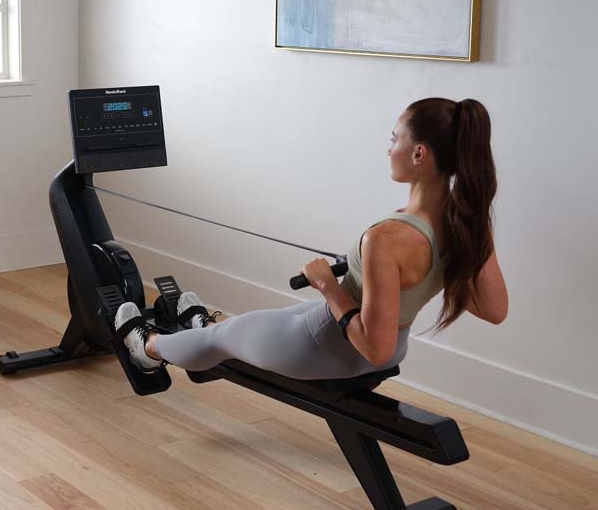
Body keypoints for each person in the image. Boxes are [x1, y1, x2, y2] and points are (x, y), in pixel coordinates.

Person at [114, 97, 508, 380]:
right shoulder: (469, 223)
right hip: (390, 344)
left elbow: (375, 348)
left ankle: (147, 348)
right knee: (244, 325)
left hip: (334, 347)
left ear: (419, 154)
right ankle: (195, 329)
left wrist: (326, 285)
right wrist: (438, 267)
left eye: (394, 139)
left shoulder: (387, 239)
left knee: (224, 335)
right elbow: (494, 309)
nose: (388, 149)